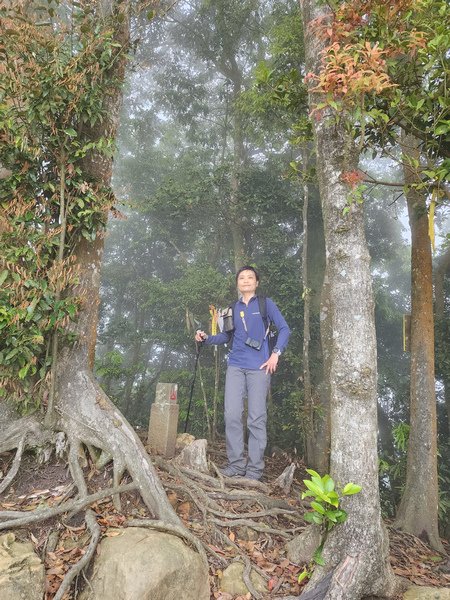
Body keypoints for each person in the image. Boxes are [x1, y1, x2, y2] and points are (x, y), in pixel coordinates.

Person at [195, 266, 290, 480]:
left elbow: (285, 329)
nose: (246, 280)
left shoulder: (266, 304)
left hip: (260, 367)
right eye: (241, 277)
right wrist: (206, 338)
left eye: (250, 277)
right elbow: (225, 337)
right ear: (237, 283)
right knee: (231, 415)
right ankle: (236, 465)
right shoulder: (231, 308)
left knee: (256, 418)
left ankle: (254, 471)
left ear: (256, 283)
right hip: (236, 365)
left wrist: (275, 353)